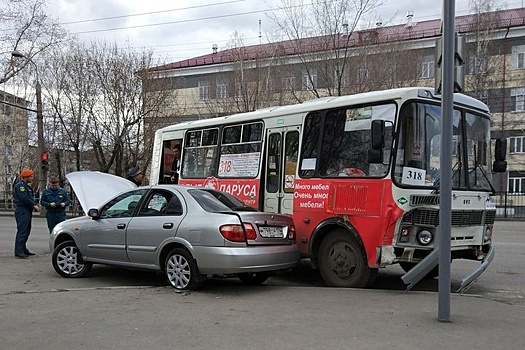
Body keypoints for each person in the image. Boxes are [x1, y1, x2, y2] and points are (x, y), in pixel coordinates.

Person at [13, 169, 40, 258]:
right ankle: (19, 251)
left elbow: (29, 197)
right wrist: (33, 205)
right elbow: (24, 198)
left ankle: (23, 249)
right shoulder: (20, 186)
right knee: (22, 231)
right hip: (22, 210)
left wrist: (33, 205)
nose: (32, 178)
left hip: (27, 211)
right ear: (26, 177)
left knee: (27, 231)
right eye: (31, 176)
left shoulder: (26, 186)